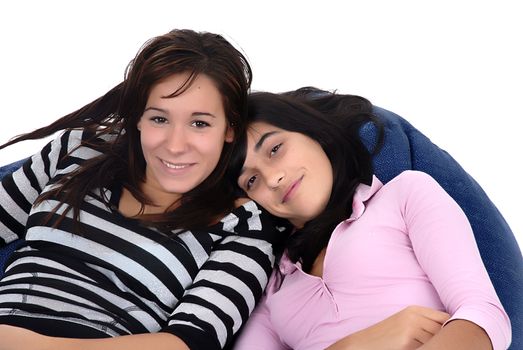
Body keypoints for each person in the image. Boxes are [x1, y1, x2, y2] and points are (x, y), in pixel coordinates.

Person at [0, 29, 281, 350]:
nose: (175, 145)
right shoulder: (80, 149)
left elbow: (190, 342)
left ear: (229, 128)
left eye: (199, 123)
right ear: (137, 118)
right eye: (159, 119)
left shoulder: (244, 224)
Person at [230, 89, 512, 350]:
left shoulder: (404, 196)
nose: (273, 178)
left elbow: (483, 316)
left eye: (275, 149)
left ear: (313, 133)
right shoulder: (272, 290)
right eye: (252, 180)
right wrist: (355, 345)